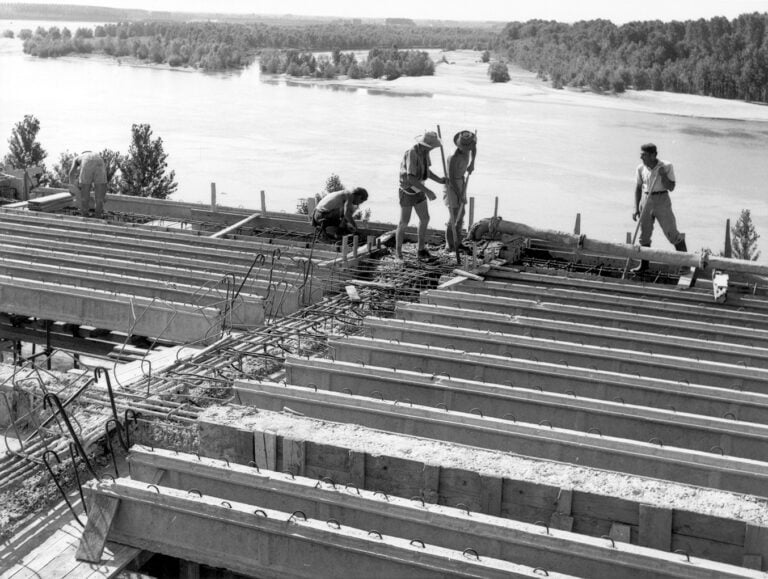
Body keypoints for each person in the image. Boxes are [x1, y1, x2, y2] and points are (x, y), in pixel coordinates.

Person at [631, 143, 687, 273]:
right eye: (641, 155)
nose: (641, 158)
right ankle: (644, 266)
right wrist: (636, 207)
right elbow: (638, 188)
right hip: (646, 200)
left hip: (662, 199)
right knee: (644, 235)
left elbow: (671, 187)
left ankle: (685, 264)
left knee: (672, 233)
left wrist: (663, 175)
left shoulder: (666, 166)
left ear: (653, 155)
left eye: (644, 155)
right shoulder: (640, 168)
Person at [396, 131, 446, 260]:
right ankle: (398, 253)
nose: (433, 149)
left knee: (425, 219)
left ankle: (421, 250)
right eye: (432, 147)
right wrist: (428, 191)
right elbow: (411, 178)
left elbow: (427, 171)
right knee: (404, 223)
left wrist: (440, 180)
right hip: (408, 190)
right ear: (426, 145)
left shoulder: (425, 153)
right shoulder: (412, 152)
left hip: (419, 188)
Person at [444, 130, 477, 252]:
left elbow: (474, 149)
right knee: (454, 215)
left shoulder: (470, 149)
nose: (468, 149)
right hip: (452, 186)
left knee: (461, 214)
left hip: (461, 182)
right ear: (459, 145)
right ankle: (449, 245)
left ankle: (458, 242)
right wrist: (460, 195)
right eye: (465, 147)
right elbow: (451, 179)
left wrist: (472, 163)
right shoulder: (453, 157)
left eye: (469, 146)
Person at [69, 151, 108, 218]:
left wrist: (71, 189)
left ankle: (85, 216)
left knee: (84, 197)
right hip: (100, 162)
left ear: (83, 152)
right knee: (99, 199)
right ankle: (97, 217)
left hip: (86, 162)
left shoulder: (78, 157)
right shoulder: (96, 155)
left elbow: (71, 172)